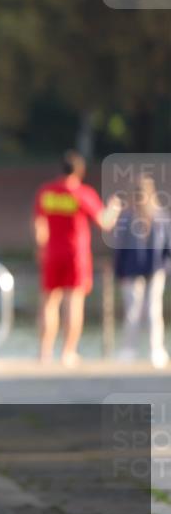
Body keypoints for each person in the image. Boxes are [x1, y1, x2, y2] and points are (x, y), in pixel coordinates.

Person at [33, 150, 120, 365]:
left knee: (49, 302)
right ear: (80, 171)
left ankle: (44, 353)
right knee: (74, 302)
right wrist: (114, 208)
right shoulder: (82, 193)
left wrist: (41, 248)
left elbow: (38, 224)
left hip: (52, 252)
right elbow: (104, 222)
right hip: (76, 254)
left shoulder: (47, 192)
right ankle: (67, 353)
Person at [113, 174, 170, 369]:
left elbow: (167, 246)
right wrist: (119, 270)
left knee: (154, 310)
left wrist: (165, 266)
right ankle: (129, 350)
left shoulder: (160, 216)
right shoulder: (127, 217)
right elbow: (119, 247)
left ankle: (156, 350)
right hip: (131, 269)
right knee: (132, 310)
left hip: (155, 268)